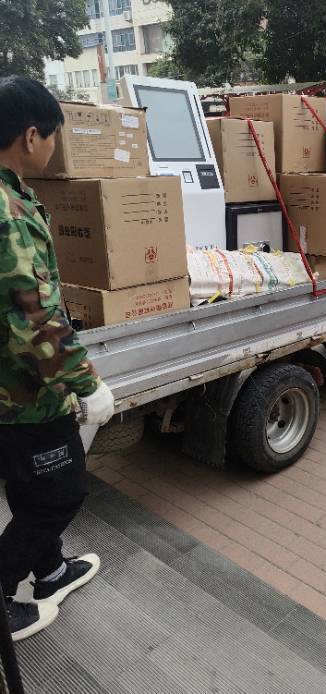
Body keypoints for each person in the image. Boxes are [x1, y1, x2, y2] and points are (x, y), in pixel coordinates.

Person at [0, 76, 115, 641]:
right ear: (30, 136)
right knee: (61, 494)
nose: (53, 147)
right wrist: (87, 383)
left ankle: (50, 573)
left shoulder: (12, 193)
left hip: (10, 389)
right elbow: (33, 316)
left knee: (29, 487)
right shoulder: (7, 212)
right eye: (53, 136)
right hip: (25, 395)